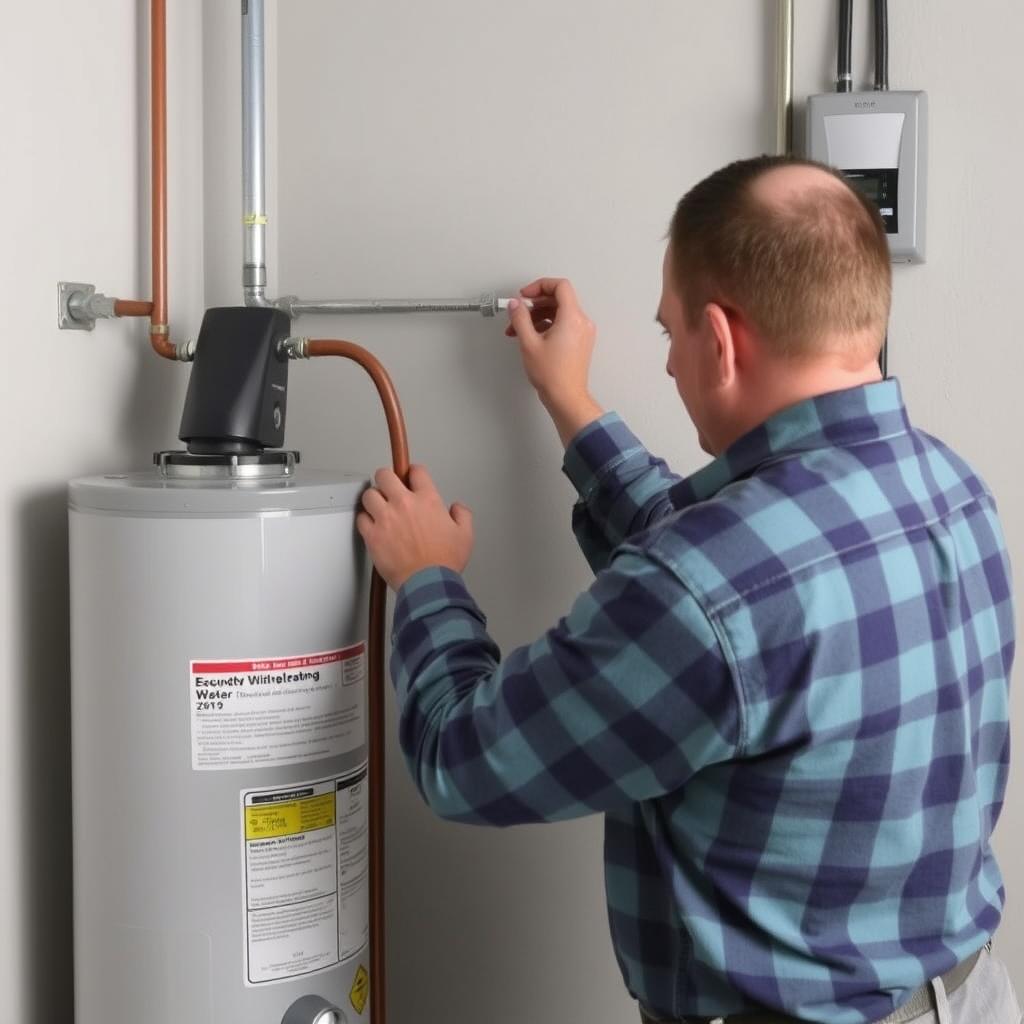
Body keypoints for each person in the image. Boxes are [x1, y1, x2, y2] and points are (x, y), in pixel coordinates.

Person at [355, 155, 1018, 1024]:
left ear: (722, 338)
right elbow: (732, 584)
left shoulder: (713, 586)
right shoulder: (951, 489)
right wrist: (570, 400)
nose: (668, 364)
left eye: (669, 332)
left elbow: (463, 761)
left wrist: (427, 577)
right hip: (970, 997)